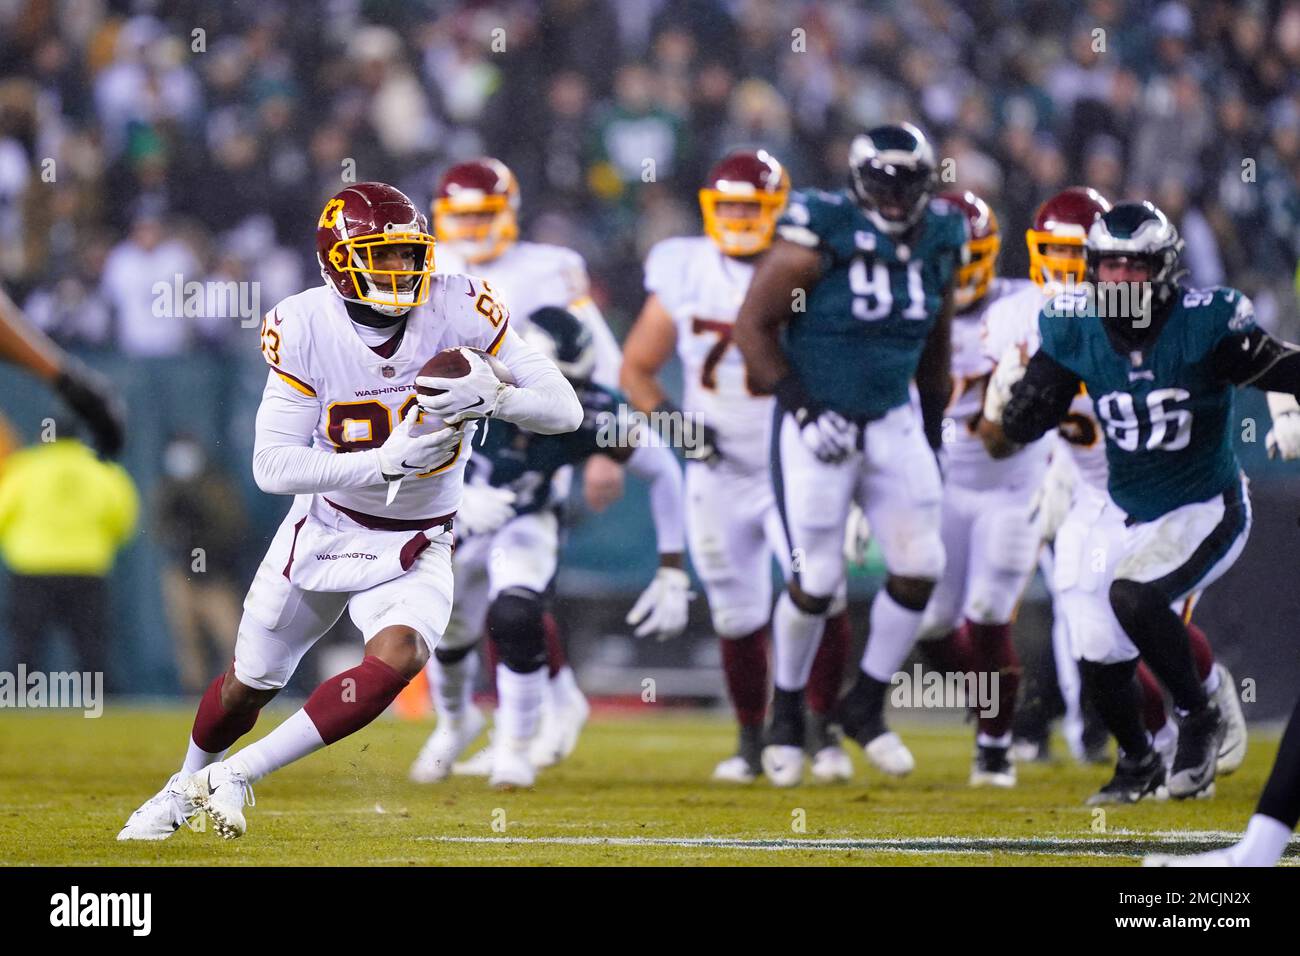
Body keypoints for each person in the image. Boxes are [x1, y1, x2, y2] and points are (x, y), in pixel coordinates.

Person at [117, 182, 581, 841]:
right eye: (383, 256)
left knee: (401, 655)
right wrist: (379, 464)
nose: (403, 270)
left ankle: (237, 775)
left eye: (409, 254)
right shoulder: (304, 325)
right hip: (328, 525)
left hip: (421, 535)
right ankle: (179, 785)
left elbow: (566, 410)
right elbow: (271, 466)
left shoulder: (460, 307)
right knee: (247, 686)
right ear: (340, 261)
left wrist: (497, 398)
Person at [986, 200, 1300, 803]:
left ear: (1163, 271)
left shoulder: (1205, 323)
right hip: (1125, 507)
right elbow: (1032, 411)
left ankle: (1199, 716)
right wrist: (1019, 408)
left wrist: (1287, 404)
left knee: (1134, 596)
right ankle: (1136, 762)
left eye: (1135, 268)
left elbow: (1276, 367)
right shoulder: (1074, 325)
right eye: (1110, 268)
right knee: (1096, 647)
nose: (1121, 281)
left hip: (1205, 505)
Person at [733, 123, 964, 786]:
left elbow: (937, 341)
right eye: (882, 181)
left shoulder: (943, 236)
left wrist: (931, 424)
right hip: (819, 421)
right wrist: (803, 406)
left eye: (907, 182)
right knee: (817, 577)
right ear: (860, 181)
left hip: (892, 416)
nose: (894, 195)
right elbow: (753, 324)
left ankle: (863, 703)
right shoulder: (821, 226)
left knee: (922, 564)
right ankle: (786, 716)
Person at [620, 147, 853, 785]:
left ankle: (822, 729)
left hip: (794, 463)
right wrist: (675, 428)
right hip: (719, 468)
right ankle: (752, 741)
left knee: (820, 592)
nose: (743, 217)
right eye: (731, 207)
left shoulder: (806, 264)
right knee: (735, 613)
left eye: (754, 206)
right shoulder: (684, 266)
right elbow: (636, 369)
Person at [411, 306, 689, 788]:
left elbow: (662, 468)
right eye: (553, 383)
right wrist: (456, 497)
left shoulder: (591, 413)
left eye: (572, 386)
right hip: (454, 521)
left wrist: (672, 566)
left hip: (527, 520)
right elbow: (399, 451)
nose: (563, 400)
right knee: (443, 633)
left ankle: (515, 747)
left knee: (517, 615)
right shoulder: (466, 382)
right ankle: (455, 724)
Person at [430, 157, 627, 764]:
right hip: (449, 437)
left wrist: (607, 446)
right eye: (460, 217)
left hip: (529, 431)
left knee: (514, 581)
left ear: (510, 212)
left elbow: (602, 357)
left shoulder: (549, 266)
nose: (471, 229)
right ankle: (493, 712)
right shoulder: (426, 263)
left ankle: (536, 712)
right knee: (456, 590)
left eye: (483, 215)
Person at [913, 191, 1051, 788]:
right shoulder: (905, 307)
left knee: (990, 612)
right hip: (939, 486)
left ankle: (994, 745)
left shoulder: (1027, 305)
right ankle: (1002, 711)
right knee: (931, 623)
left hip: (1012, 485)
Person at [0, 418, 138, 681]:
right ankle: (101, 707)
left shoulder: (24, 468)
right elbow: (124, 519)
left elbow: (2, 513)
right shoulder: (102, 468)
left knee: (25, 647)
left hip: (31, 569)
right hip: (86, 570)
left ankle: (18, 704)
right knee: (91, 649)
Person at [155, 434, 249, 693]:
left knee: (230, 637)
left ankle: (231, 693)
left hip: (215, 578)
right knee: (187, 640)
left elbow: (233, 527)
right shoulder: (168, 488)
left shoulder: (215, 487)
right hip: (181, 575)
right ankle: (193, 694)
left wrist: (200, 526)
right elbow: (160, 529)